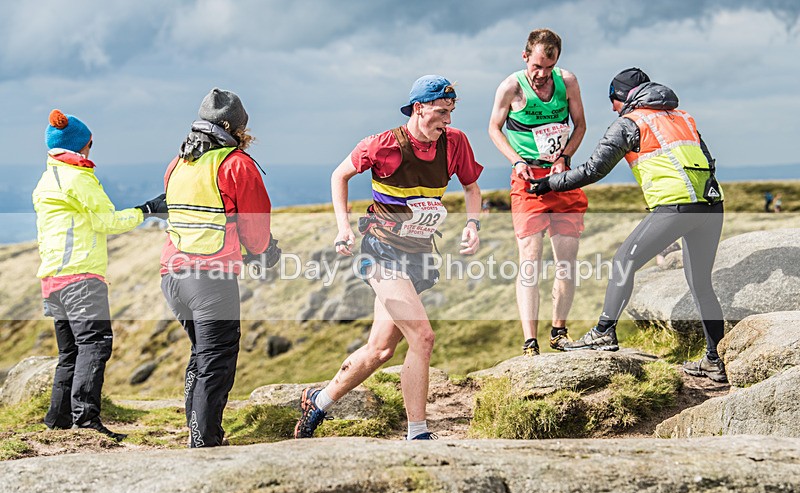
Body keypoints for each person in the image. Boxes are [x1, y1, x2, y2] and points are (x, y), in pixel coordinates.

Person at [294, 75, 483, 440]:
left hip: (418, 255)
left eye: (451, 113)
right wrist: (343, 228)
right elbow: (340, 175)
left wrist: (472, 224)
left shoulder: (455, 143)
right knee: (423, 337)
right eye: (442, 112)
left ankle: (318, 401)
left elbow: (472, 188)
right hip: (380, 253)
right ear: (418, 108)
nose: (448, 121)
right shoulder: (383, 144)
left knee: (380, 350)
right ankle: (417, 432)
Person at [527, 68, 727, 383]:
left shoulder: (630, 123)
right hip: (711, 205)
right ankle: (715, 360)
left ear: (624, 97)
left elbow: (593, 169)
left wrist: (549, 184)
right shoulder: (683, 118)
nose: (611, 108)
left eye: (613, 100)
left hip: (676, 207)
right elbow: (707, 160)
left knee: (623, 262)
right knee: (701, 284)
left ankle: (604, 332)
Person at [34, 109, 167, 441]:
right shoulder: (78, 178)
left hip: (52, 279)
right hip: (80, 277)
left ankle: (58, 419)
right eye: (91, 143)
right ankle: (86, 420)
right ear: (82, 145)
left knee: (71, 352)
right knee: (95, 344)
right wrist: (147, 209)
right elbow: (107, 222)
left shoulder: (48, 179)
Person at [160, 88, 279, 447]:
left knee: (202, 355)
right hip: (210, 280)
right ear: (238, 128)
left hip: (172, 276)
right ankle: (205, 442)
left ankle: (198, 435)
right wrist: (266, 251)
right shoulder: (237, 164)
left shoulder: (178, 163)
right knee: (217, 362)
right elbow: (256, 234)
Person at [487, 28, 587, 356]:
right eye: (537, 66)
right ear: (525, 56)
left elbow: (580, 125)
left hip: (561, 178)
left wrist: (565, 157)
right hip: (528, 179)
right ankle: (530, 341)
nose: (542, 74)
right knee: (530, 260)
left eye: (549, 66)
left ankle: (559, 331)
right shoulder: (511, 86)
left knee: (566, 262)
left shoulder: (567, 82)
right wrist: (516, 161)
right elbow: (493, 128)